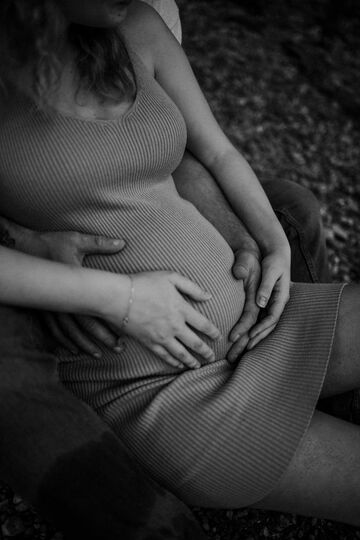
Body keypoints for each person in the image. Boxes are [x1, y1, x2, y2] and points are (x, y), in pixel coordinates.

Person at [1, 0, 360, 529]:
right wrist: (118, 297)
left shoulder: (139, 24)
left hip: (264, 327)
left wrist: (272, 241)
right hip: (169, 397)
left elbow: (215, 152)